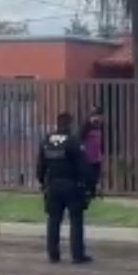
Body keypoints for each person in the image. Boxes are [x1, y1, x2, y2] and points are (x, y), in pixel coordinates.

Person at [36, 112, 92, 265]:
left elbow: (40, 166)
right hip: (71, 185)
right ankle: (77, 254)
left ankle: (53, 254)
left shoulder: (46, 140)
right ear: (70, 125)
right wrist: (89, 184)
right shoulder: (73, 141)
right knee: (76, 219)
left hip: (53, 185)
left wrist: (42, 183)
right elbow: (83, 166)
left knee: (53, 219)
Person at [80, 105, 104, 200]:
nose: (97, 118)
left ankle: (92, 194)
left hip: (97, 156)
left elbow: (100, 141)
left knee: (95, 176)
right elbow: (80, 138)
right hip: (88, 156)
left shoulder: (99, 126)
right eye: (95, 116)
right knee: (89, 176)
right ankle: (88, 193)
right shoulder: (86, 126)